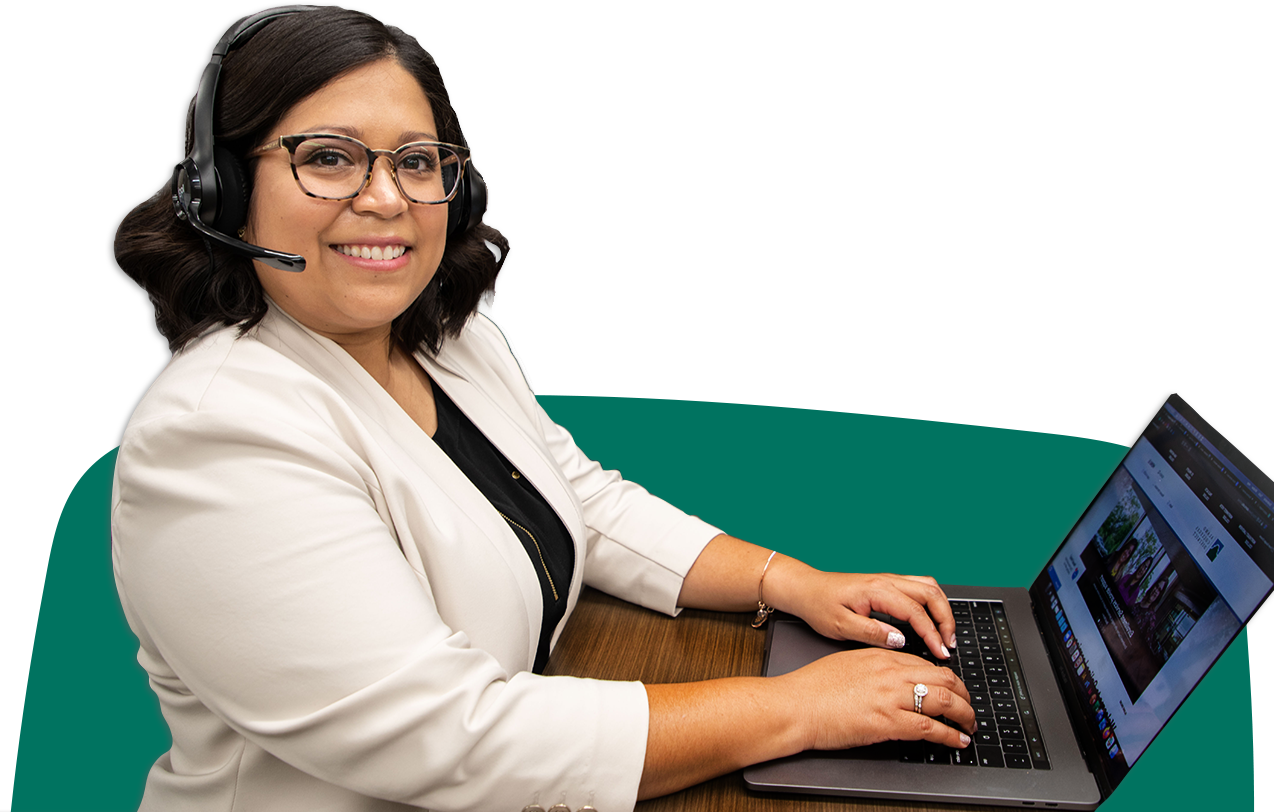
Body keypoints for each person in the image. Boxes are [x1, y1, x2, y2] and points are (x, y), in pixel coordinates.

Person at [110, 7, 974, 811]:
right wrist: (793, 710)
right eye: (329, 157)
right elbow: (450, 737)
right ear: (221, 190)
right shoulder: (215, 438)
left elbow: (578, 498)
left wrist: (791, 582)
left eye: (416, 162)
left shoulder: (448, 342)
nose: (385, 199)